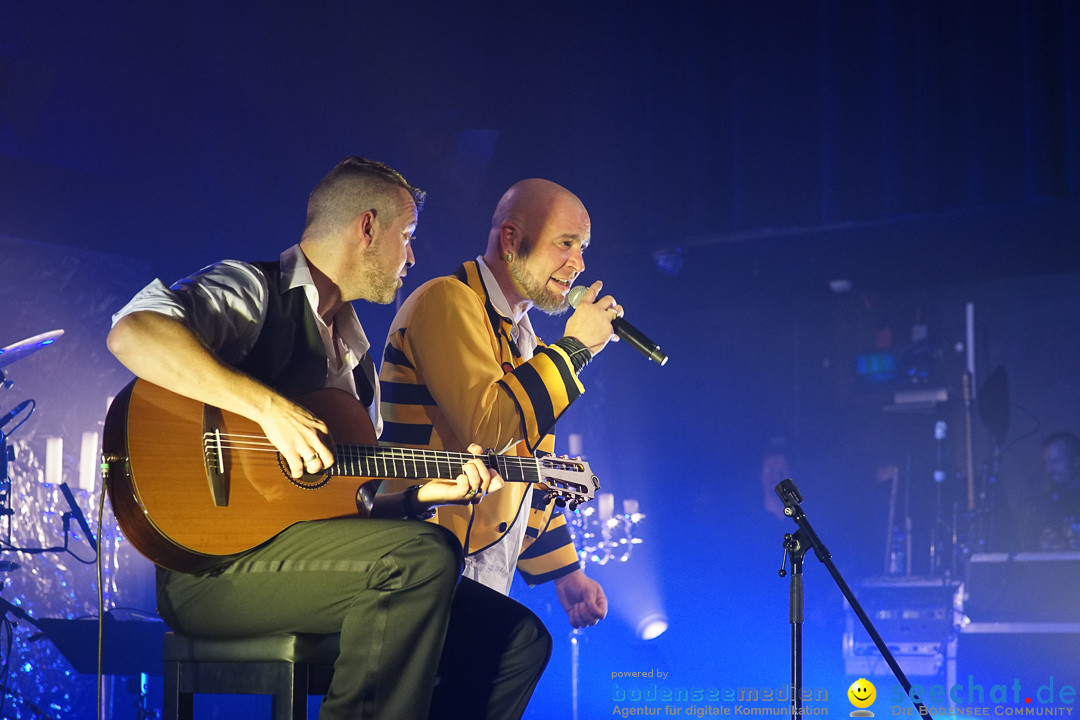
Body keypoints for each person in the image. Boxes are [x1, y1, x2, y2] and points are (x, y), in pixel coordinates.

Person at [106, 156, 505, 719]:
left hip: (303, 562)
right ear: (366, 228)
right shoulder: (254, 289)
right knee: (424, 559)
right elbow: (132, 332)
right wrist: (269, 409)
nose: (412, 256)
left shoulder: (356, 365)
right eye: (406, 236)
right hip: (210, 570)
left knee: (513, 638)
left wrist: (421, 496)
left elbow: (339, 508)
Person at [378, 178, 618, 718]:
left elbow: (526, 469)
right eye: (566, 243)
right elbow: (489, 425)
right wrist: (575, 348)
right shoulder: (446, 300)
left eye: (583, 248)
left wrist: (566, 572)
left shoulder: (524, 339)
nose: (578, 264)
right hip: (416, 563)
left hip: (479, 574)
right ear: (512, 239)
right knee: (517, 644)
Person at [1029, 431, 1080, 550]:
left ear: (1077, 461)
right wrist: (1043, 545)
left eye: (1056, 462)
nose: (1049, 471)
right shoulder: (1049, 502)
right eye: (1046, 463)